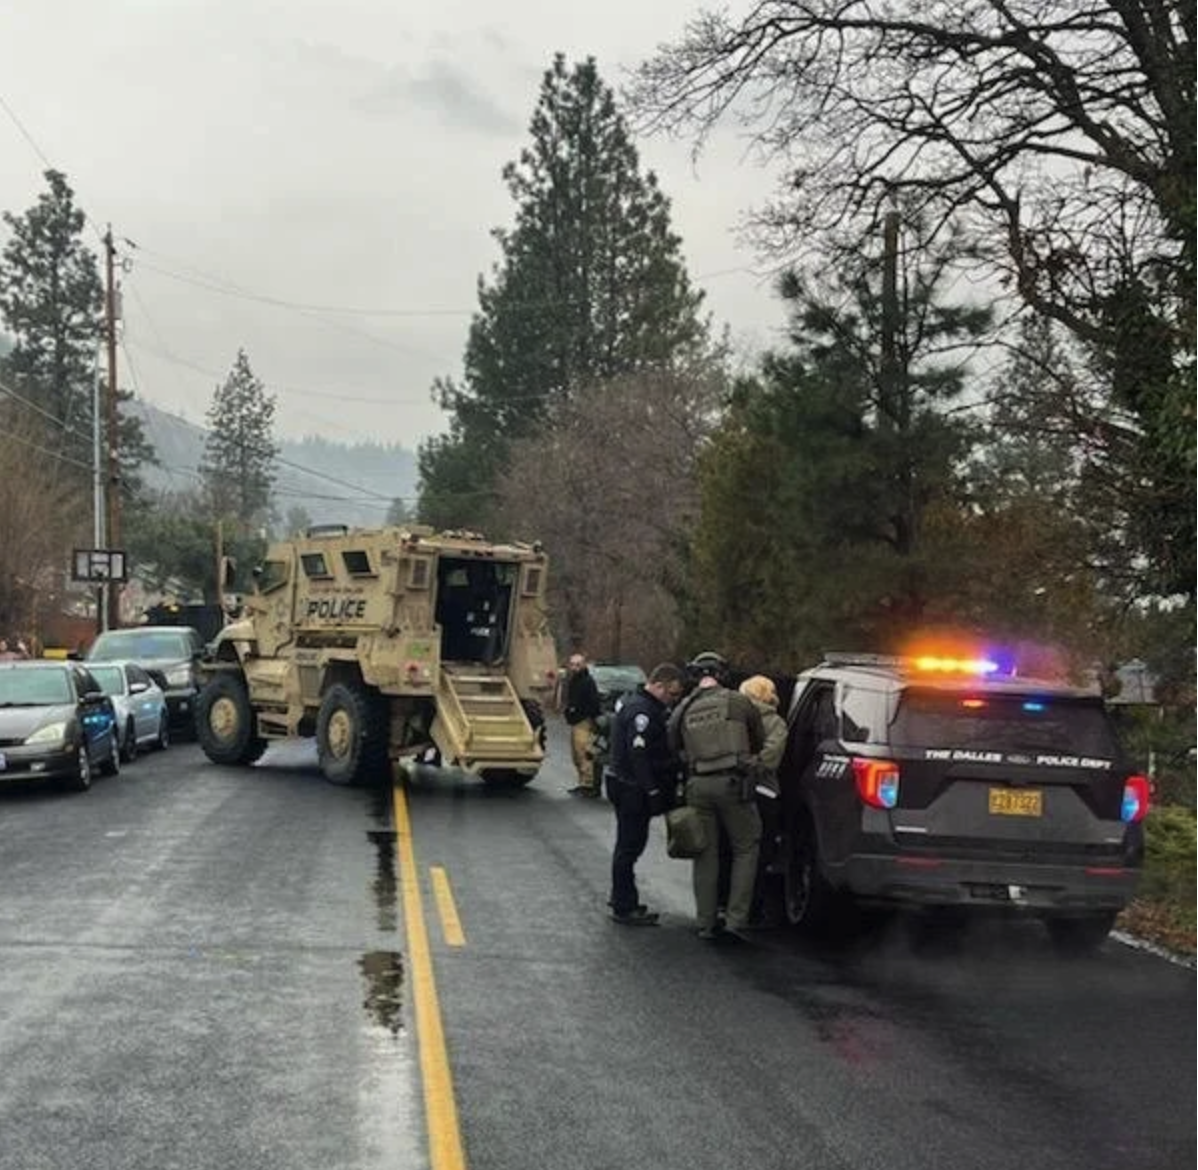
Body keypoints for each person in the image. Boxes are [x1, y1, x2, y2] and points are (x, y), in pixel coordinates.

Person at [669, 651, 765, 942]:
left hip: (698, 785)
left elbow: (673, 742)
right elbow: (757, 738)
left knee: (705, 854)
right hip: (733, 783)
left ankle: (705, 923)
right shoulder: (737, 701)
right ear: (722, 674)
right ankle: (736, 920)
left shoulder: (684, 708)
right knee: (746, 848)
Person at [606, 661, 688, 925]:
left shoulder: (637, 703)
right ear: (659, 685)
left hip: (625, 784)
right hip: (632, 787)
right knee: (629, 846)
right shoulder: (643, 711)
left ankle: (622, 897)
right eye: (672, 694)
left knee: (628, 845)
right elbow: (638, 754)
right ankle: (624, 905)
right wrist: (652, 789)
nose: (672, 700)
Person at [739, 675, 788, 926]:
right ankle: (753, 908)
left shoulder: (735, 720)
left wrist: (739, 766)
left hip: (736, 791)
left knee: (735, 850)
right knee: (760, 853)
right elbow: (771, 759)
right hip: (765, 793)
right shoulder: (776, 723)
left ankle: (727, 905)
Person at [563, 652, 602, 797]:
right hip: (576, 721)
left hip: (584, 721)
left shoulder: (587, 681)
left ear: (584, 665)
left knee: (585, 753)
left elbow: (594, 703)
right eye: (572, 664)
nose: (575, 668)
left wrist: (590, 719)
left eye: (578, 665)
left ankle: (589, 785)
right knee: (576, 755)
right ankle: (582, 783)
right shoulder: (575, 680)